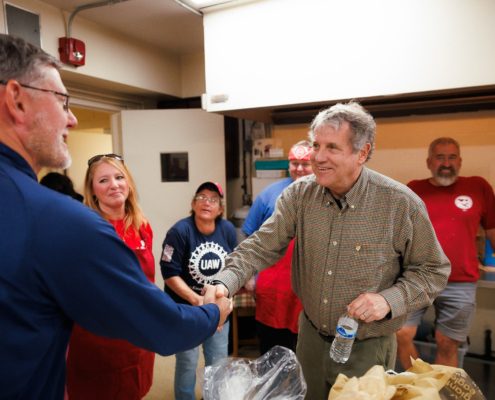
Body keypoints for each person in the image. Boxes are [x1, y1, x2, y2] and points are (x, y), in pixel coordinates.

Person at [0, 34, 231, 399]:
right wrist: (214, 311)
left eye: (119, 177)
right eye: (62, 101)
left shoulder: (136, 225)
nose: (72, 119)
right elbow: (163, 325)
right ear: (16, 99)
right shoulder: (63, 223)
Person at [205, 101, 451, 400]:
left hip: (367, 346)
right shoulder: (299, 195)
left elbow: (433, 271)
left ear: (362, 153)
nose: (317, 157)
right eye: (315, 145)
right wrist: (223, 281)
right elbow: (260, 245)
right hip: (310, 338)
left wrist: (388, 300)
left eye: (332, 147)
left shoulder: (399, 204)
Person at [396, 137, 495, 368]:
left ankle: (441, 393)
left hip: (460, 281)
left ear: (459, 161)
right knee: (401, 333)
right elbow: (399, 234)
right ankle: (421, 388)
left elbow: (492, 230)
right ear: (429, 162)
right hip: (417, 277)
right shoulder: (414, 189)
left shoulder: (478, 187)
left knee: (447, 343)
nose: (446, 163)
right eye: (440, 157)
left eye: (452, 157)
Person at [66, 154, 156, 399]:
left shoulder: (141, 226)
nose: (114, 185)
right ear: (93, 190)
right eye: (103, 180)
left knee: (134, 390)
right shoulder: (86, 228)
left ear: (129, 183)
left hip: (138, 335)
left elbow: (148, 282)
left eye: (119, 177)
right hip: (100, 338)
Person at [160, 181, 237, 400]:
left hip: (218, 307)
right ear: (193, 204)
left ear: (220, 209)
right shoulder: (179, 231)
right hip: (186, 309)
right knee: (187, 361)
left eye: (213, 199)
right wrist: (197, 301)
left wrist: (221, 305)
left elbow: (235, 267)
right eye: (201, 197)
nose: (207, 202)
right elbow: (169, 272)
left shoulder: (228, 230)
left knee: (218, 360)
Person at [242, 140, 312, 354]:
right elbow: (249, 236)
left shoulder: (325, 192)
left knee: (306, 350)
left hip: (309, 286)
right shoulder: (269, 194)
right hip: (274, 287)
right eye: (294, 163)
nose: (299, 168)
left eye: (305, 163)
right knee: (272, 350)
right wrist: (248, 276)